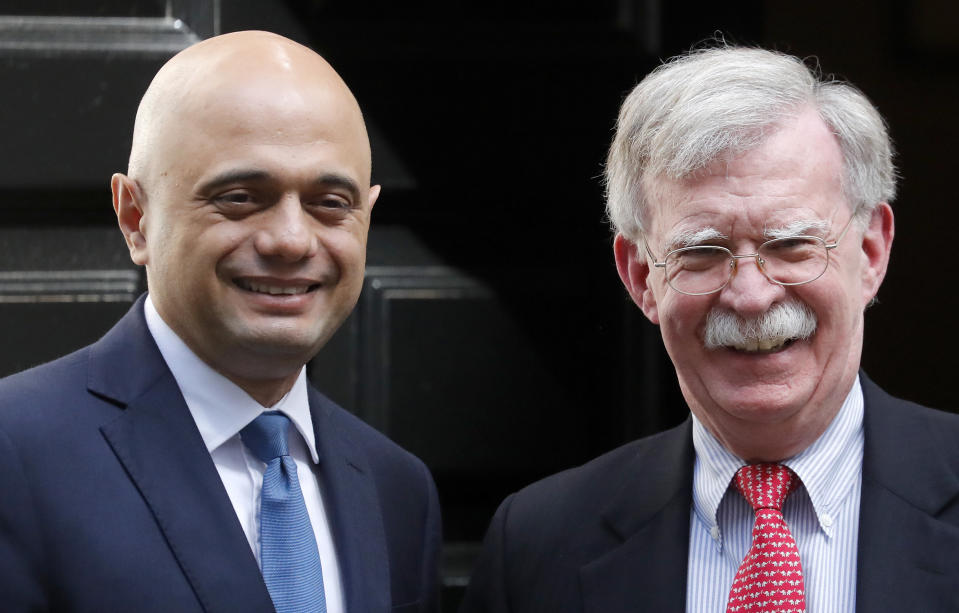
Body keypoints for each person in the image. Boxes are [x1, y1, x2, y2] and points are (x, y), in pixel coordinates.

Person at [460, 45, 959, 612]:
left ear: (870, 252)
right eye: (702, 252)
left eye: (792, 244)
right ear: (641, 275)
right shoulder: (538, 545)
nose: (750, 296)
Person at [0, 31, 440, 612]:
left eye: (330, 203)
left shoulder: (397, 491)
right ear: (136, 218)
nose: (290, 239)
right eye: (240, 197)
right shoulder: (16, 453)